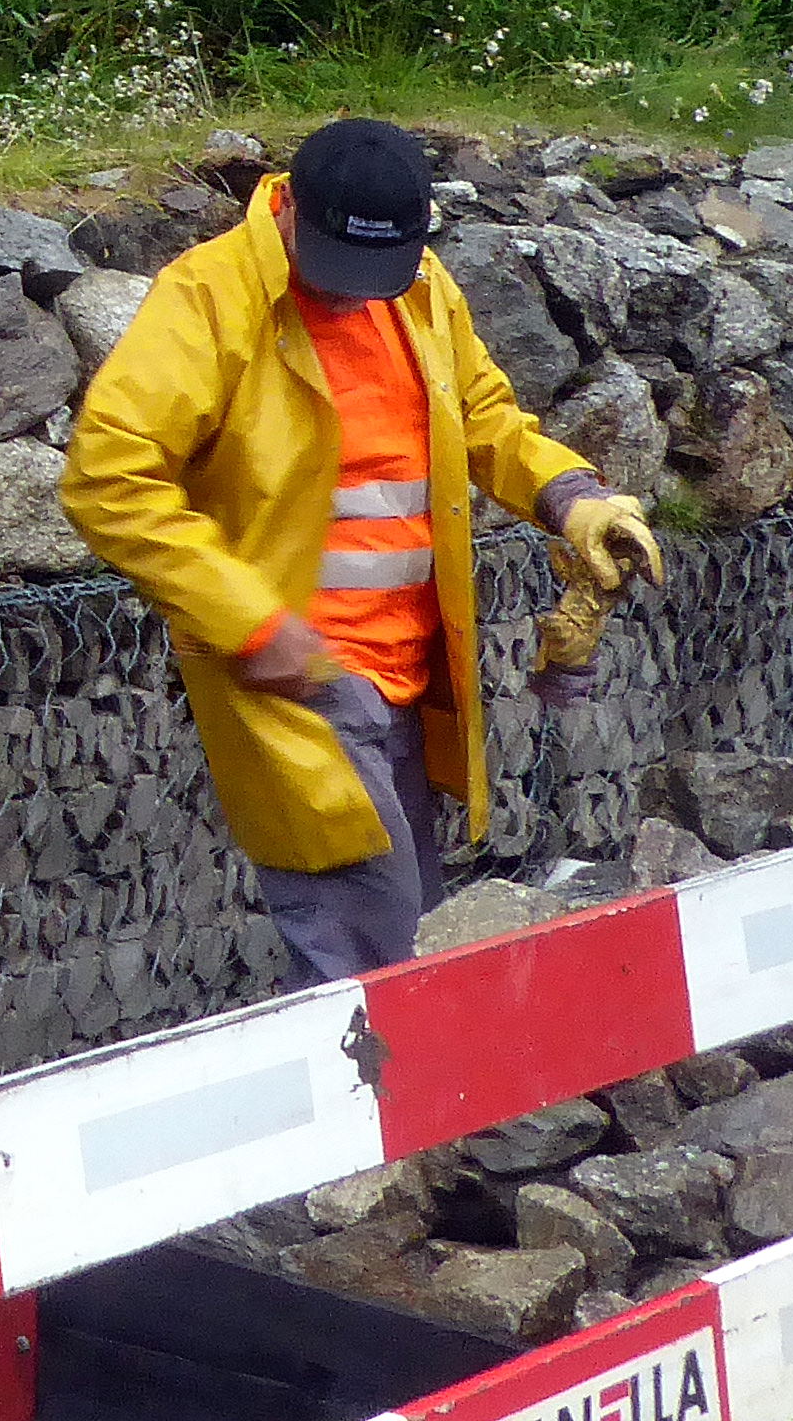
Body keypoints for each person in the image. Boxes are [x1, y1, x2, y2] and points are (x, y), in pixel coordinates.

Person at [58, 117, 665, 986]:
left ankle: (398, 1109)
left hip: (408, 674)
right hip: (300, 679)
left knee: (399, 928)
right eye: (337, 271)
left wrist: (571, 495)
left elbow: (486, 419)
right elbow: (108, 481)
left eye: (374, 277)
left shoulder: (419, 289)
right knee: (372, 953)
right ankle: (393, 1113)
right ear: (290, 212)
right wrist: (256, 625)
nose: (352, 296)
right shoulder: (208, 300)